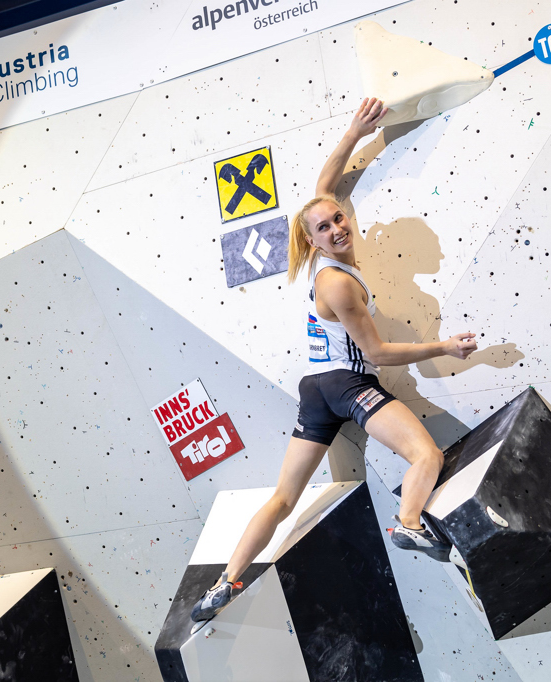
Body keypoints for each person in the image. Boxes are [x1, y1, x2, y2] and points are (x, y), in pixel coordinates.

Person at [191, 97, 478, 624]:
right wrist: (445, 347)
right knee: (426, 457)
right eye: (324, 228)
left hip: (315, 389)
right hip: (346, 385)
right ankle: (409, 521)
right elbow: (377, 353)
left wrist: (354, 132)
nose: (337, 228)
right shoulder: (340, 282)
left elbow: (325, 184)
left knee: (283, 497)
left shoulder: (324, 258)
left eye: (338, 219)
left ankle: (224, 582)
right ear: (312, 239)